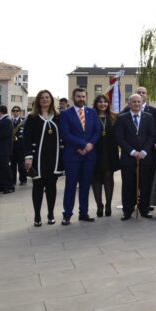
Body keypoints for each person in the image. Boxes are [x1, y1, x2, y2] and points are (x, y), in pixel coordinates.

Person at [59, 88, 101, 224]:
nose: (81, 99)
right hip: (73, 155)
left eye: (83, 96)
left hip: (89, 155)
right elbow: (65, 134)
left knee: (85, 185)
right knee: (70, 185)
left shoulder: (92, 112)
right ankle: (67, 214)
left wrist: (90, 145)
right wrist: (82, 145)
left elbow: (97, 131)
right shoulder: (65, 114)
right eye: (78, 96)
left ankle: (84, 212)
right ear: (73, 97)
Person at [23, 90, 63, 226]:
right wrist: (28, 157)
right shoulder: (32, 118)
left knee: (52, 186)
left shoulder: (58, 117)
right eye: (42, 98)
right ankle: (37, 216)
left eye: (47, 97)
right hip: (37, 159)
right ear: (38, 101)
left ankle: (51, 214)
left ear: (51, 100)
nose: (45, 100)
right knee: (38, 187)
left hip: (54, 158)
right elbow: (26, 139)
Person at [115, 94, 156, 220]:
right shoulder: (122, 118)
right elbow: (119, 138)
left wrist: (144, 151)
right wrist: (132, 151)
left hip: (145, 157)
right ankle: (127, 210)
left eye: (139, 102)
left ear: (142, 102)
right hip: (128, 157)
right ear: (129, 103)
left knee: (144, 184)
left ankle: (144, 209)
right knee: (128, 184)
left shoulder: (148, 117)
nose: (137, 104)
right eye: (134, 102)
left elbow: (151, 135)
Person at [90, 95, 119, 217]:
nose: (103, 104)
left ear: (108, 104)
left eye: (105, 102)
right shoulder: (91, 116)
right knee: (96, 178)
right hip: (95, 150)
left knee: (108, 177)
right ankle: (99, 205)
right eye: (100, 102)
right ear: (96, 104)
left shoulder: (114, 117)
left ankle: (108, 204)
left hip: (110, 151)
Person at [10, 106, 27, 186]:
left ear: (20, 112)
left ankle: (23, 179)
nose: (15, 112)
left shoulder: (23, 121)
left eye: (17, 111)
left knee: (21, 164)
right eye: (14, 111)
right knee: (12, 164)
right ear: (12, 112)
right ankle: (13, 180)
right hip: (12, 146)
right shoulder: (9, 121)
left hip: (21, 146)